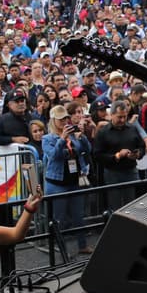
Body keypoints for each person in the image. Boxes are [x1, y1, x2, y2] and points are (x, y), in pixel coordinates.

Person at [42, 105, 93, 258]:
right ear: (53, 120)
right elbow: (53, 156)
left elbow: (87, 150)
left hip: (75, 179)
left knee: (79, 215)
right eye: (60, 119)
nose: (64, 121)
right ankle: (62, 250)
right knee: (60, 219)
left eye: (65, 118)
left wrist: (82, 136)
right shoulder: (47, 138)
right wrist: (62, 140)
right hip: (57, 183)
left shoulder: (72, 134)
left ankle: (82, 245)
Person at [93, 101, 147, 209]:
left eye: (124, 117)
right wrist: (117, 156)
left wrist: (138, 154)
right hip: (113, 173)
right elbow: (97, 155)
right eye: (119, 117)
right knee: (115, 206)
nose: (122, 120)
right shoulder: (103, 132)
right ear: (111, 115)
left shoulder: (132, 129)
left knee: (133, 204)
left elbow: (142, 146)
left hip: (131, 171)